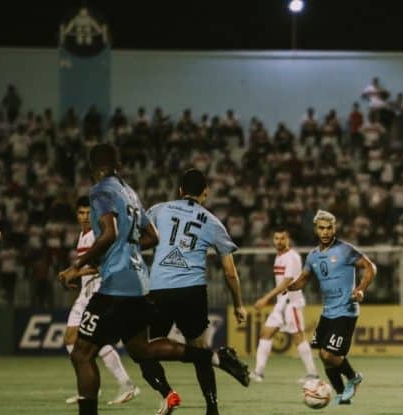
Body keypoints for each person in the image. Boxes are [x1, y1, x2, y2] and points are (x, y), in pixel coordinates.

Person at [58, 144, 249, 415]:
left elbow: (112, 233)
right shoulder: (131, 193)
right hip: (161, 287)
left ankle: (166, 390)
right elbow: (154, 238)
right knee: (144, 349)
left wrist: (78, 265)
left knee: (84, 353)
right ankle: (215, 373)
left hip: (134, 286)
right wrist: (128, 251)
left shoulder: (112, 194)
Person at [139, 168, 249, 415]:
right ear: (205, 192)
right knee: (198, 346)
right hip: (192, 292)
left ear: (180, 190)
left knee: (145, 349)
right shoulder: (212, 222)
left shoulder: (159, 210)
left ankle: (167, 393)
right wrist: (239, 304)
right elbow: (230, 272)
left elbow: (138, 238)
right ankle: (212, 407)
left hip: (159, 289)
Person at [288, 210, 376, 404]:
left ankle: (353, 376)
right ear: (316, 230)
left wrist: (360, 289)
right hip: (327, 312)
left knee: (330, 354)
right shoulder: (313, 256)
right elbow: (303, 278)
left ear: (334, 229)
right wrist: (289, 287)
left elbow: (371, 267)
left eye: (329, 228)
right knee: (323, 355)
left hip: (346, 311)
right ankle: (342, 395)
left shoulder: (345, 250)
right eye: (322, 228)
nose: (326, 232)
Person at [63, 196, 139, 406]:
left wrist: (75, 273)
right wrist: (75, 275)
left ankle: (125, 385)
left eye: (89, 213)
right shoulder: (83, 235)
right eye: (81, 213)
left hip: (98, 290)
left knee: (92, 342)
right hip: (85, 293)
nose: (85, 217)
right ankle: (87, 387)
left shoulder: (97, 234)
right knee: (70, 339)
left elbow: (103, 266)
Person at [252, 227, 318, 383]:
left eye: (282, 238)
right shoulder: (279, 256)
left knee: (298, 337)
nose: (279, 241)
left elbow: (287, 282)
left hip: (291, 303)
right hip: (281, 303)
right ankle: (258, 372)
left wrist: (266, 298)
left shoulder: (292, 257)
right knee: (265, 333)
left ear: (288, 239)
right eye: (276, 238)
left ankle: (313, 374)